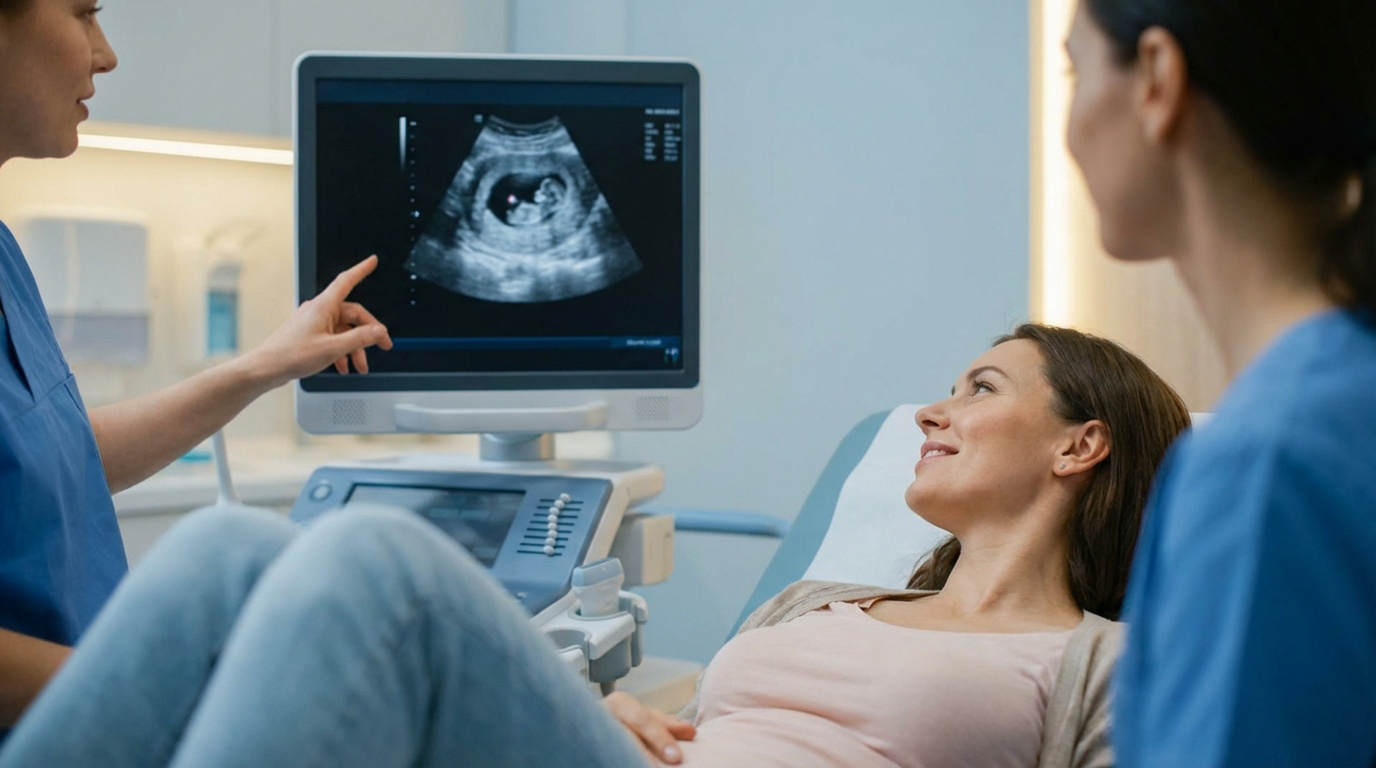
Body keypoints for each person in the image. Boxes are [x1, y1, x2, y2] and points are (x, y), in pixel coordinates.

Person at [0, 322, 1191, 767]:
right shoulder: (828, 600)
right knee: (220, 559)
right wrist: (619, 715)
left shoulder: (1098, 662)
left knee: (375, 564)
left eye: (977, 388)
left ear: (1077, 445)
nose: (928, 411)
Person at [0, 0, 392, 727]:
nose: (106, 52)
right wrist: (166, 679)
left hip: (89, 718)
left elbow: (50, 460)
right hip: (55, 731)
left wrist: (265, 365)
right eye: (83, 14)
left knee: (237, 545)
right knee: (382, 577)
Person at [1062, 0, 1376, 764]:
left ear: (1158, 81)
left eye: (1076, 69)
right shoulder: (1342, 398)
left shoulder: (1265, 463)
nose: (1069, 126)